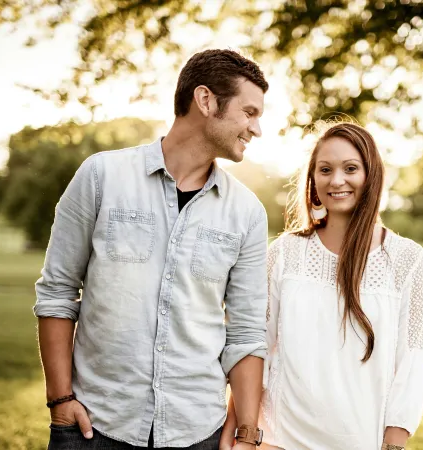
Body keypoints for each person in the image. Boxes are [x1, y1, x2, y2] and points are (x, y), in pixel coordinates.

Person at [34, 49, 270, 450]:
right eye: (249, 112)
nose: (257, 128)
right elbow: (57, 292)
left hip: (197, 432)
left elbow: (246, 332)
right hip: (96, 425)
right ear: (206, 100)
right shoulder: (101, 176)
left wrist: (247, 433)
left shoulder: (247, 212)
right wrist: (61, 400)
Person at [221, 122, 423, 450]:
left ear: (371, 175)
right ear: (313, 180)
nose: (336, 180)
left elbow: (412, 362)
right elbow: (254, 347)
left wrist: (394, 444)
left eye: (350, 168)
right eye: (325, 169)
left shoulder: (407, 260)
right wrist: (243, 436)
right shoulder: (284, 254)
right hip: (278, 440)